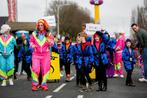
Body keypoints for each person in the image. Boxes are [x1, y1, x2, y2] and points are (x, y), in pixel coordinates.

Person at [30, 19, 54, 91]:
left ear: (44, 26)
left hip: (45, 55)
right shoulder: (34, 34)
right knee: (35, 69)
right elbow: (30, 42)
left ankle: (44, 85)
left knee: (45, 70)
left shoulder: (48, 34)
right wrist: (32, 45)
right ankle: (35, 85)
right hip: (36, 54)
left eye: (42, 25)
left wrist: (50, 42)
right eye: (39, 25)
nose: (40, 27)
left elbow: (52, 43)